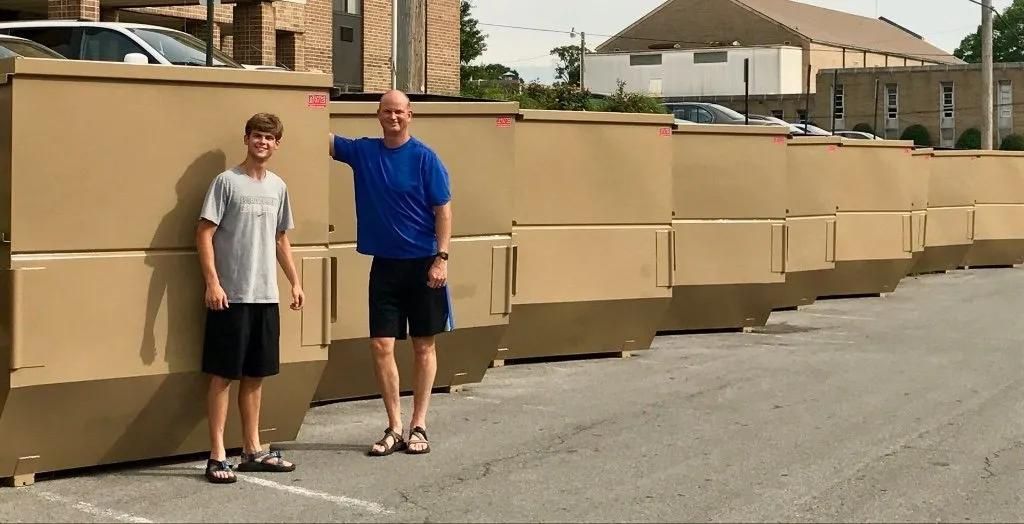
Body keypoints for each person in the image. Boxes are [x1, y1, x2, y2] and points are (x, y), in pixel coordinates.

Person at [329, 90, 453, 456]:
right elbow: (317, 134)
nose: (393, 117)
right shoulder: (364, 151)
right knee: (381, 345)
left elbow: (443, 211)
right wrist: (303, 97)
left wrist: (441, 258)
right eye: (387, 111)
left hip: (424, 264)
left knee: (423, 345)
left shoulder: (425, 158)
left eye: (399, 111)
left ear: (410, 115)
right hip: (385, 264)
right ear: (378, 114)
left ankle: (419, 425)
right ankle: (394, 426)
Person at [197, 113, 304, 483]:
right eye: (257, 136)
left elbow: (280, 239)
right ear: (246, 139)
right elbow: (204, 234)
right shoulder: (226, 183)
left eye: (269, 138)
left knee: (255, 376)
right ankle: (216, 456)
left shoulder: (278, 187)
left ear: (277, 144)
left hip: (265, 296)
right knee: (223, 375)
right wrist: (213, 283)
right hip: (231, 296)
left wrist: (294, 282)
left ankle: (253, 450)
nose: (262, 142)